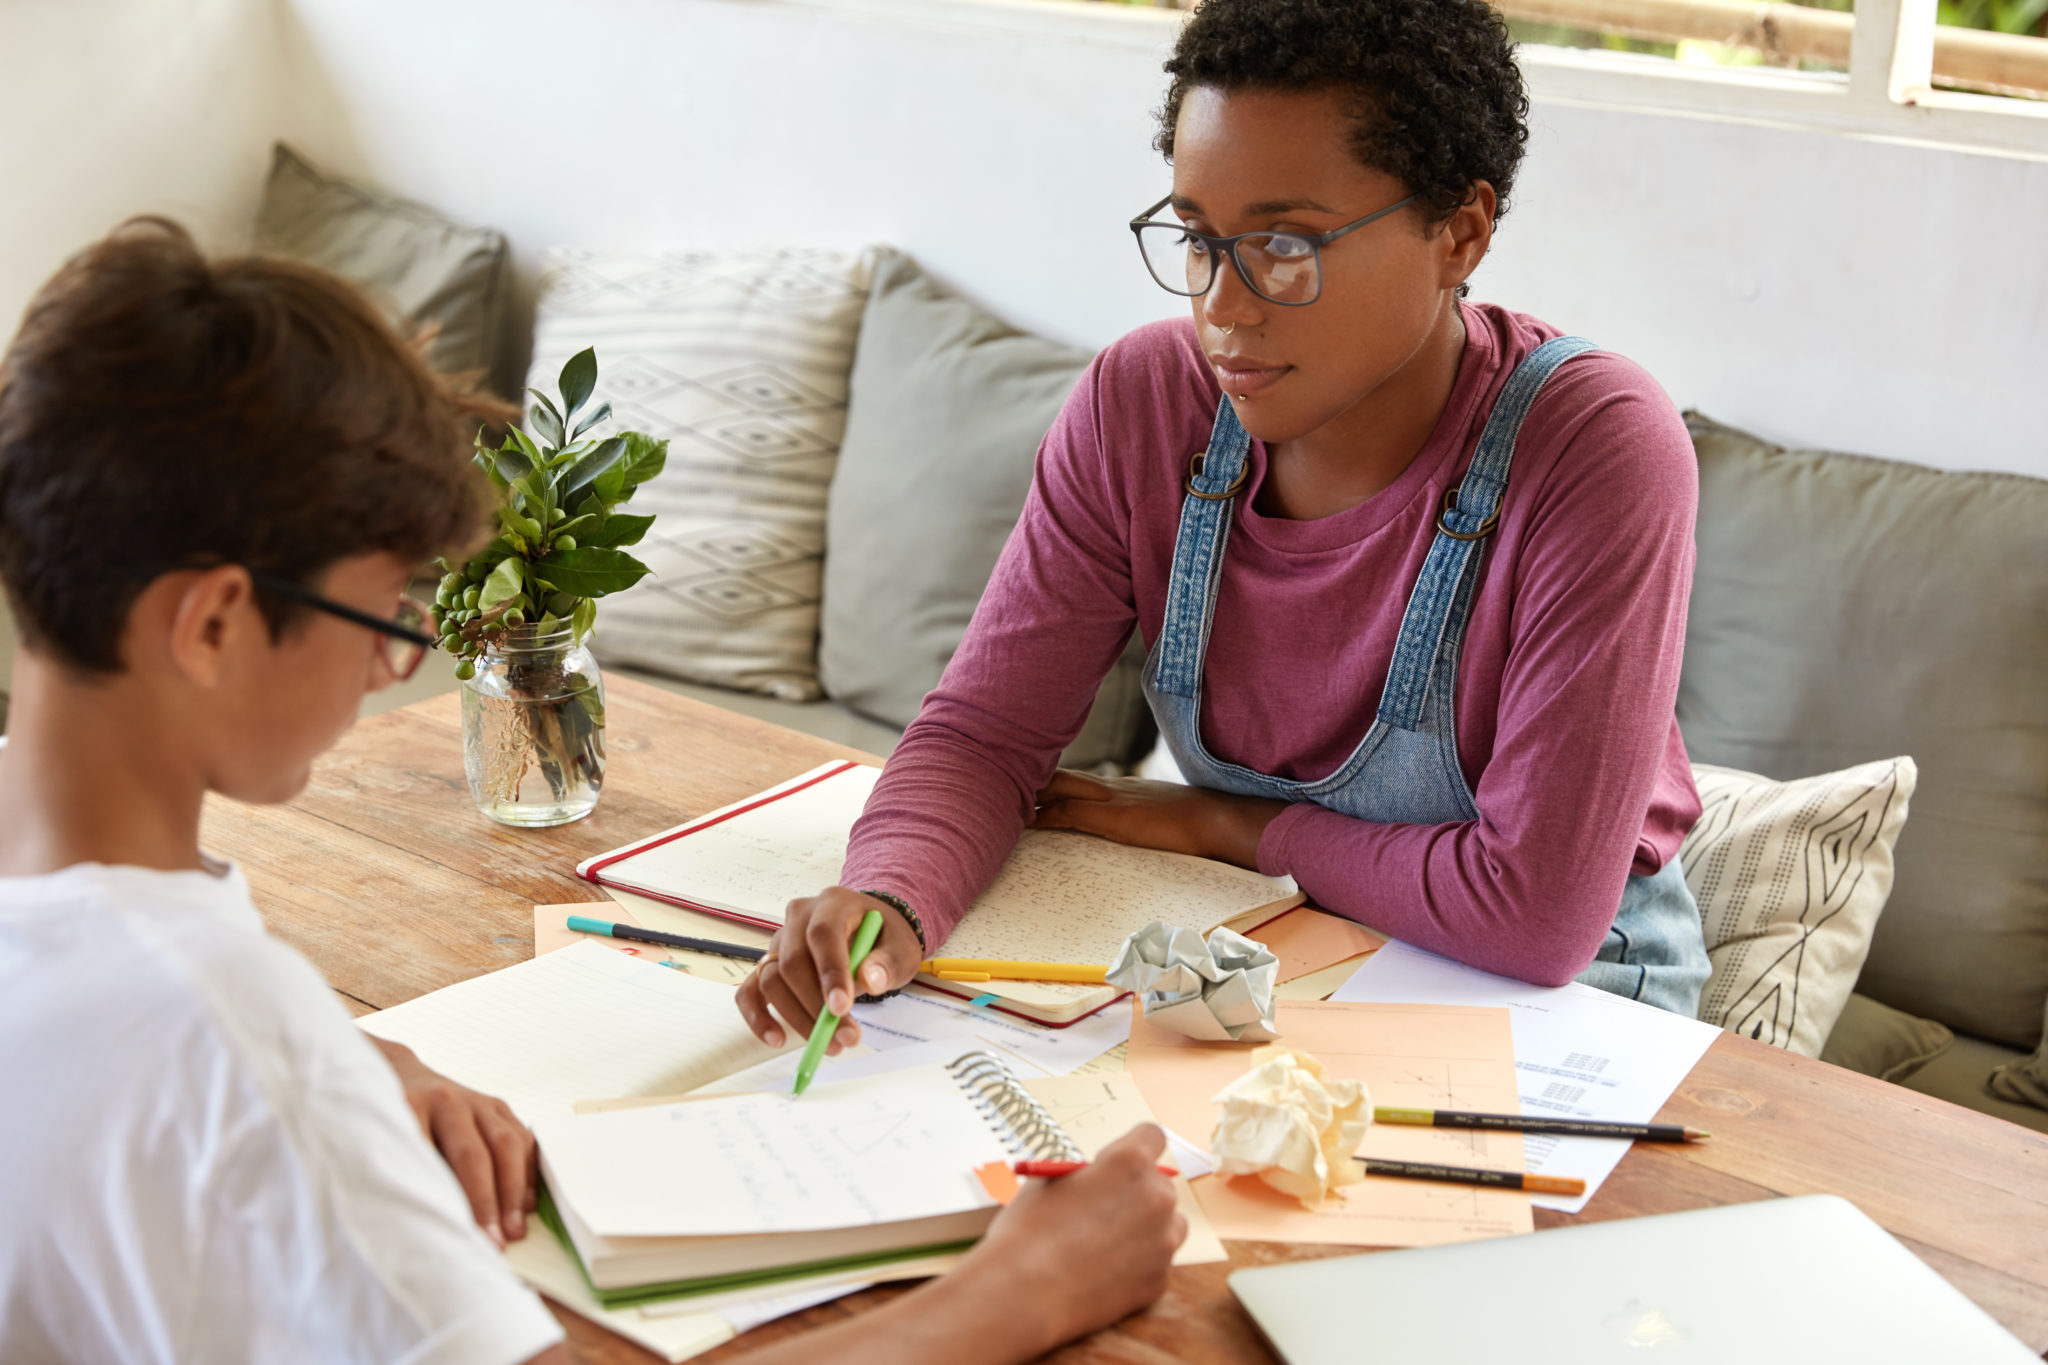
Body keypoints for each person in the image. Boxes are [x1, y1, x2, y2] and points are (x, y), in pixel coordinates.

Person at [0, 219, 1184, 1364]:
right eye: (384, 620)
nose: (390, 666)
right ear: (212, 623)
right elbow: (205, 1041)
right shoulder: (238, 1045)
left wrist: (352, 1057)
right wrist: (1019, 1293)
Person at [737, 0, 1711, 1059]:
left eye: (1284, 245)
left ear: (1459, 232)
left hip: (1570, 999)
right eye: (1198, 238)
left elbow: (1530, 915)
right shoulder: (1143, 403)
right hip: (1274, 944)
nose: (1221, 306)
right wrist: (887, 899)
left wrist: (1224, 827)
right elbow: (984, 736)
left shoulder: (1593, 444)